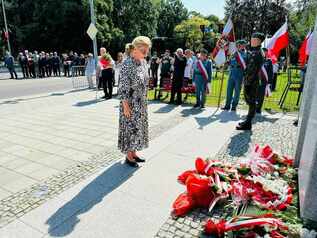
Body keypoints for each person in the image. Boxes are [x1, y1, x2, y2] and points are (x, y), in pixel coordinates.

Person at [118, 36, 151, 167]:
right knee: (130, 129)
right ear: (135, 49)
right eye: (144, 51)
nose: (146, 54)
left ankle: (134, 153)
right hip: (130, 104)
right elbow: (123, 88)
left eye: (147, 51)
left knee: (138, 129)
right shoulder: (127, 64)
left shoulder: (142, 62)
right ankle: (128, 156)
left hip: (141, 103)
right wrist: (126, 106)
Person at [236, 32, 265, 131]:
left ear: (258, 41)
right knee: (250, 101)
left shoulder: (257, 53)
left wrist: (247, 83)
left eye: (253, 39)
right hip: (250, 80)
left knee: (251, 102)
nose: (251, 41)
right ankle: (248, 121)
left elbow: (253, 70)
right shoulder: (254, 51)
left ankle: (248, 123)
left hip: (252, 81)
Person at [222, 40, 247, 111]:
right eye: (237, 45)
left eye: (240, 45)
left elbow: (244, 64)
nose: (238, 46)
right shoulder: (234, 54)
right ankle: (227, 105)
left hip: (239, 74)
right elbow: (229, 62)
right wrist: (226, 63)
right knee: (229, 90)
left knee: (237, 91)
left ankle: (234, 106)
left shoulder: (245, 54)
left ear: (243, 46)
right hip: (232, 73)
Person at [256, 48, 273, 114]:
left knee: (261, 95)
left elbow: (270, 72)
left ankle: (258, 109)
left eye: (265, 52)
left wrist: (269, 82)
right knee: (255, 95)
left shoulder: (269, 61)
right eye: (263, 52)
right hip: (256, 80)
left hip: (264, 81)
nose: (264, 53)